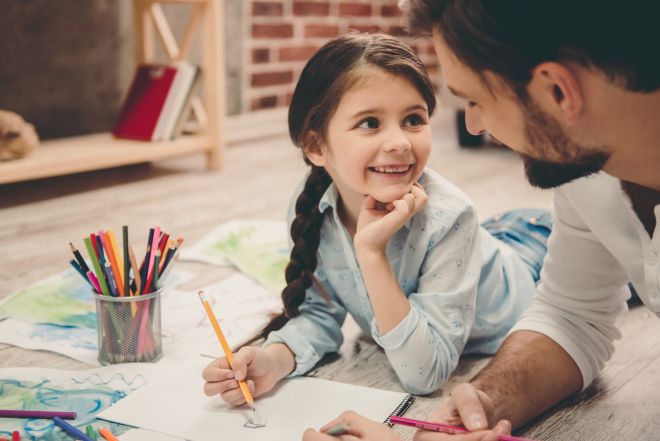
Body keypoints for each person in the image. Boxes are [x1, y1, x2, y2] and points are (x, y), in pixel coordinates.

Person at [303, 1, 660, 440]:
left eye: (475, 100)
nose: (473, 125)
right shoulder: (585, 170)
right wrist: (484, 403)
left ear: (558, 91)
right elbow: (573, 316)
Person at [202, 33, 552, 406]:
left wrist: (371, 253)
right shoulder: (311, 205)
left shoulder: (452, 216)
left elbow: (425, 374)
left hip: (534, 260)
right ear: (316, 146)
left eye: (414, 119)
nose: (400, 142)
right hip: (488, 241)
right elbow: (320, 314)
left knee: (615, 252)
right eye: (370, 123)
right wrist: (273, 360)